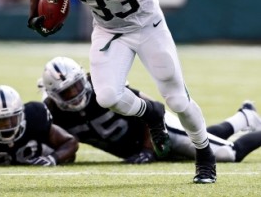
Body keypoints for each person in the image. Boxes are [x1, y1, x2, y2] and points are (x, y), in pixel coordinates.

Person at [28, 0, 215, 183]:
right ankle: (151, 113)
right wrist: (35, 14)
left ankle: (204, 154)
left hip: (148, 26)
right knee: (107, 97)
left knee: (177, 99)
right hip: (109, 31)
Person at [38, 56, 261, 164]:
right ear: (53, 93)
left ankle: (249, 123)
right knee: (200, 138)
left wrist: (148, 149)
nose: (75, 94)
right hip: (138, 149)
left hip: (160, 132)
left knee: (227, 154)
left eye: (76, 86)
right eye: (66, 91)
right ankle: (245, 117)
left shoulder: (103, 88)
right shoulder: (52, 112)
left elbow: (153, 110)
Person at [0, 85, 78, 166]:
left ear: (22, 114)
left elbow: (70, 142)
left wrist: (53, 158)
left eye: (12, 118)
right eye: (0, 121)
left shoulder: (34, 116)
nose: (7, 125)